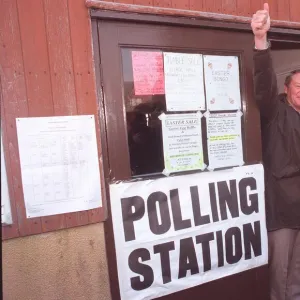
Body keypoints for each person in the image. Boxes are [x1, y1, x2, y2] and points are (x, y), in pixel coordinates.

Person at [251, 3, 300, 300]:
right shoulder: (275, 112)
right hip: (282, 212)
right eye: (299, 86)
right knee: (280, 276)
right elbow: (263, 86)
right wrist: (260, 42)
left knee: (298, 274)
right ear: (286, 89)